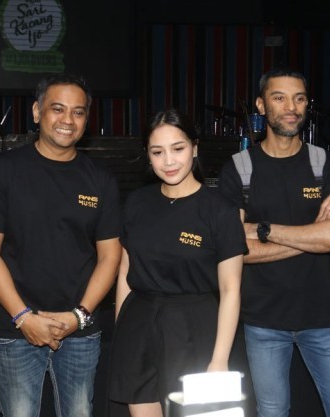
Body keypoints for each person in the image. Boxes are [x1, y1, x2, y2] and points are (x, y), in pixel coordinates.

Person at [0, 74, 122, 417]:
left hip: (80, 330)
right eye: (58, 109)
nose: (68, 119)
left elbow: (110, 257)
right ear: (37, 112)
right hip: (15, 328)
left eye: (78, 112)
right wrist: (23, 317)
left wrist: (78, 317)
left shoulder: (100, 179)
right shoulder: (3, 170)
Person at [218, 67, 330, 417]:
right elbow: (233, 250)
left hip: (323, 318)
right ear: (261, 105)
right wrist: (314, 233)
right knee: (273, 412)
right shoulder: (238, 169)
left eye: (298, 99)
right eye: (279, 98)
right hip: (264, 322)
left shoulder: (326, 164)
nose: (290, 107)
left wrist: (263, 230)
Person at [108, 109, 247, 417]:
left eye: (178, 148)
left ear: (194, 148)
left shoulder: (220, 211)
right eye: (157, 152)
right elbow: (126, 272)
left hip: (195, 328)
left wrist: (219, 360)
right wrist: (122, 333)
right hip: (138, 325)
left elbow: (231, 290)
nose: (168, 161)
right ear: (148, 155)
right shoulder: (137, 202)